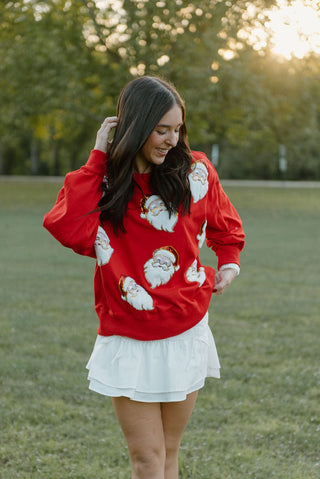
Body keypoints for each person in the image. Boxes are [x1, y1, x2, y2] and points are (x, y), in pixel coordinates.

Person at [43, 76, 245, 479]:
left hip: (186, 326)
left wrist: (228, 261)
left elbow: (225, 222)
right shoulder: (104, 182)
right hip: (129, 336)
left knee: (169, 454)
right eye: (161, 129)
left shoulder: (195, 171)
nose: (172, 139)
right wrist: (99, 156)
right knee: (147, 460)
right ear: (134, 126)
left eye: (177, 129)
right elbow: (67, 228)